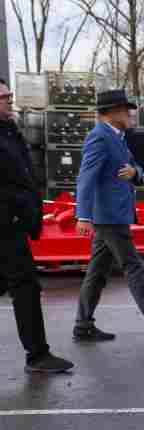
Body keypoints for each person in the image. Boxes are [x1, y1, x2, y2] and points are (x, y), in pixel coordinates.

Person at [73, 89, 144, 342]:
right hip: (109, 216)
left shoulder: (118, 136)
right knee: (133, 266)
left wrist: (134, 173)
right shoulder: (99, 137)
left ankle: (83, 326)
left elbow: (134, 167)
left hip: (113, 215)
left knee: (97, 272)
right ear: (112, 112)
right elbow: (86, 177)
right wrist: (82, 215)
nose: (130, 113)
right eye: (126, 109)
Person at [0, 78, 74, 373]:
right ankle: (38, 354)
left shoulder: (9, 130)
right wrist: (12, 214)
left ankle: (37, 353)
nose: (9, 99)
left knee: (11, 281)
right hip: (6, 225)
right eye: (4, 96)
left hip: (14, 221)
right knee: (25, 284)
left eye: (9, 94)